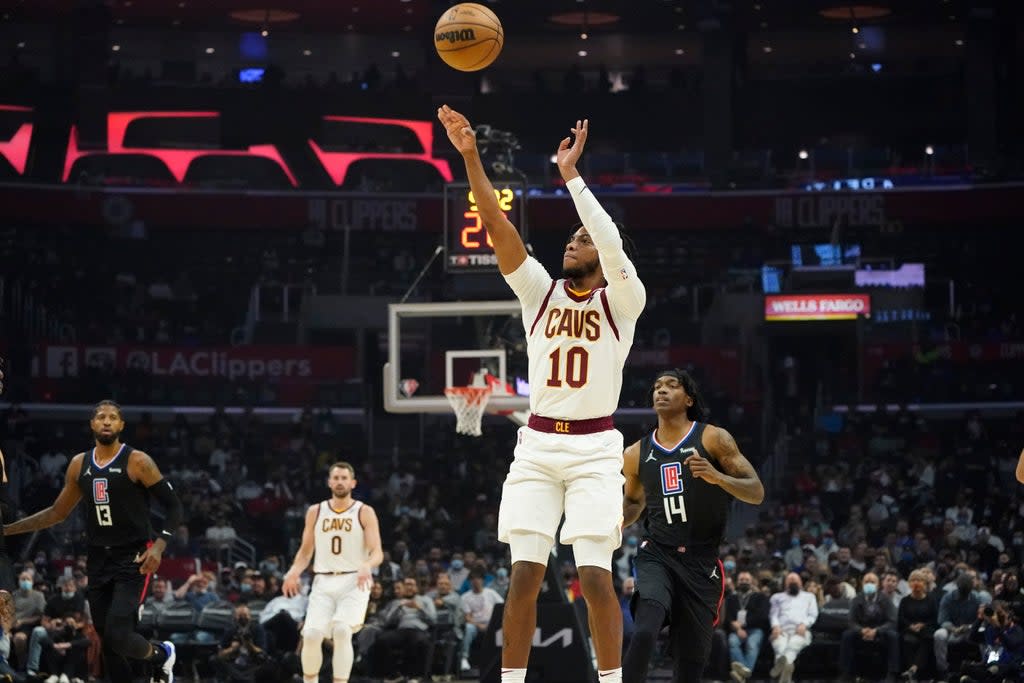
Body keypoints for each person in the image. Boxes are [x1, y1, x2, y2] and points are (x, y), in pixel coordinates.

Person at [438, 105, 647, 683]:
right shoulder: (539, 292)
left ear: (605, 260)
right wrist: (470, 156)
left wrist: (570, 175)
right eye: (574, 238)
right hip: (535, 448)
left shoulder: (623, 302)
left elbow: (606, 235)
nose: (574, 244)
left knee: (596, 577)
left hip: (595, 450)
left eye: (584, 241)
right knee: (524, 575)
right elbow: (498, 226)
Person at [2, 400, 181, 682]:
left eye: (113, 417)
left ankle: (162, 654)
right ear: (92, 424)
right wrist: (7, 529)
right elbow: (57, 513)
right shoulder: (78, 464)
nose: (107, 421)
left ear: (121, 425)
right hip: (98, 559)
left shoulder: (138, 461)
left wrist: (159, 546)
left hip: (134, 558)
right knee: (107, 643)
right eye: (101, 417)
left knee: (118, 634)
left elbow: (174, 506)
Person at [621, 369, 764, 683]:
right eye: (657, 386)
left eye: (672, 386)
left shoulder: (713, 437)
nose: (662, 391)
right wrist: (612, 522)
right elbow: (632, 504)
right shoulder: (634, 453)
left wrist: (718, 477)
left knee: (689, 669)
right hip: (657, 554)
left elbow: (755, 491)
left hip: (701, 562)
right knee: (645, 631)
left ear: (688, 399)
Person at [282, 461, 383, 683]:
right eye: (335, 478)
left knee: (341, 631)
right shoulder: (315, 511)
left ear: (353, 483)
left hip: (354, 580)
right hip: (323, 580)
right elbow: (305, 552)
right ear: (329, 482)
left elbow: (377, 552)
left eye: (344, 478)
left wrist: (367, 564)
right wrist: (293, 572)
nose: (339, 482)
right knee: (309, 635)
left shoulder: (364, 511)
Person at [838, 572, 899, 682]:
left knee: (893, 636)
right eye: (866, 582)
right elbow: (851, 621)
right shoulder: (857, 599)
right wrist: (861, 630)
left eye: (872, 582)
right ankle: (846, 672)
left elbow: (892, 621)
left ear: (878, 584)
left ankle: (892, 673)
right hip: (861, 629)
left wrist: (877, 631)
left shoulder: (885, 599)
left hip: (880, 629)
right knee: (847, 635)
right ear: (862, 584)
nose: (869, 584)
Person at [768, 573, 819, 683]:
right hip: (781, 629)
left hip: (801, 630)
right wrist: (775, 626)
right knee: (779, 644)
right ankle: (786, 672)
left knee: (793, 644)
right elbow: (773, 615)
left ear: (801, 583)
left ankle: (780, 667)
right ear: (785, 583)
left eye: (795, 581)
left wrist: (804, 624)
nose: (792, 583)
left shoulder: (809, 597)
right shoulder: (776, 597)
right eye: (790, 581)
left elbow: (813, 615)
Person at [726, 571, 771, 682]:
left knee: (752, 644)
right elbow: (727, 616)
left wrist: (743, 623)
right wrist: (735, 626)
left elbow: (762, 616)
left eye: (747, 580)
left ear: (752, 582)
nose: (744, 582)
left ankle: (742, 675)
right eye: (741, 580)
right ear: (737, 582)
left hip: (755, 629)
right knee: (732, 642)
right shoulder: (731, 598)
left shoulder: (760, 597)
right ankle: (745, 674)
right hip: (736, 630)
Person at [897, 568, 938, 681]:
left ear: (925, 583)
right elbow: (901, 619)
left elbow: (934, 618)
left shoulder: (931, 600)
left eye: (919, 580)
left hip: (926, 629)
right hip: (909, 629)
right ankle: (913, 672)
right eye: (913, 580)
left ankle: (913, 670)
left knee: (927, 638)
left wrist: (922, 625)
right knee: (908, 640)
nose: (916, 583)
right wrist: (910, 626)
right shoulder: (904, 601)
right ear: (909, 583)